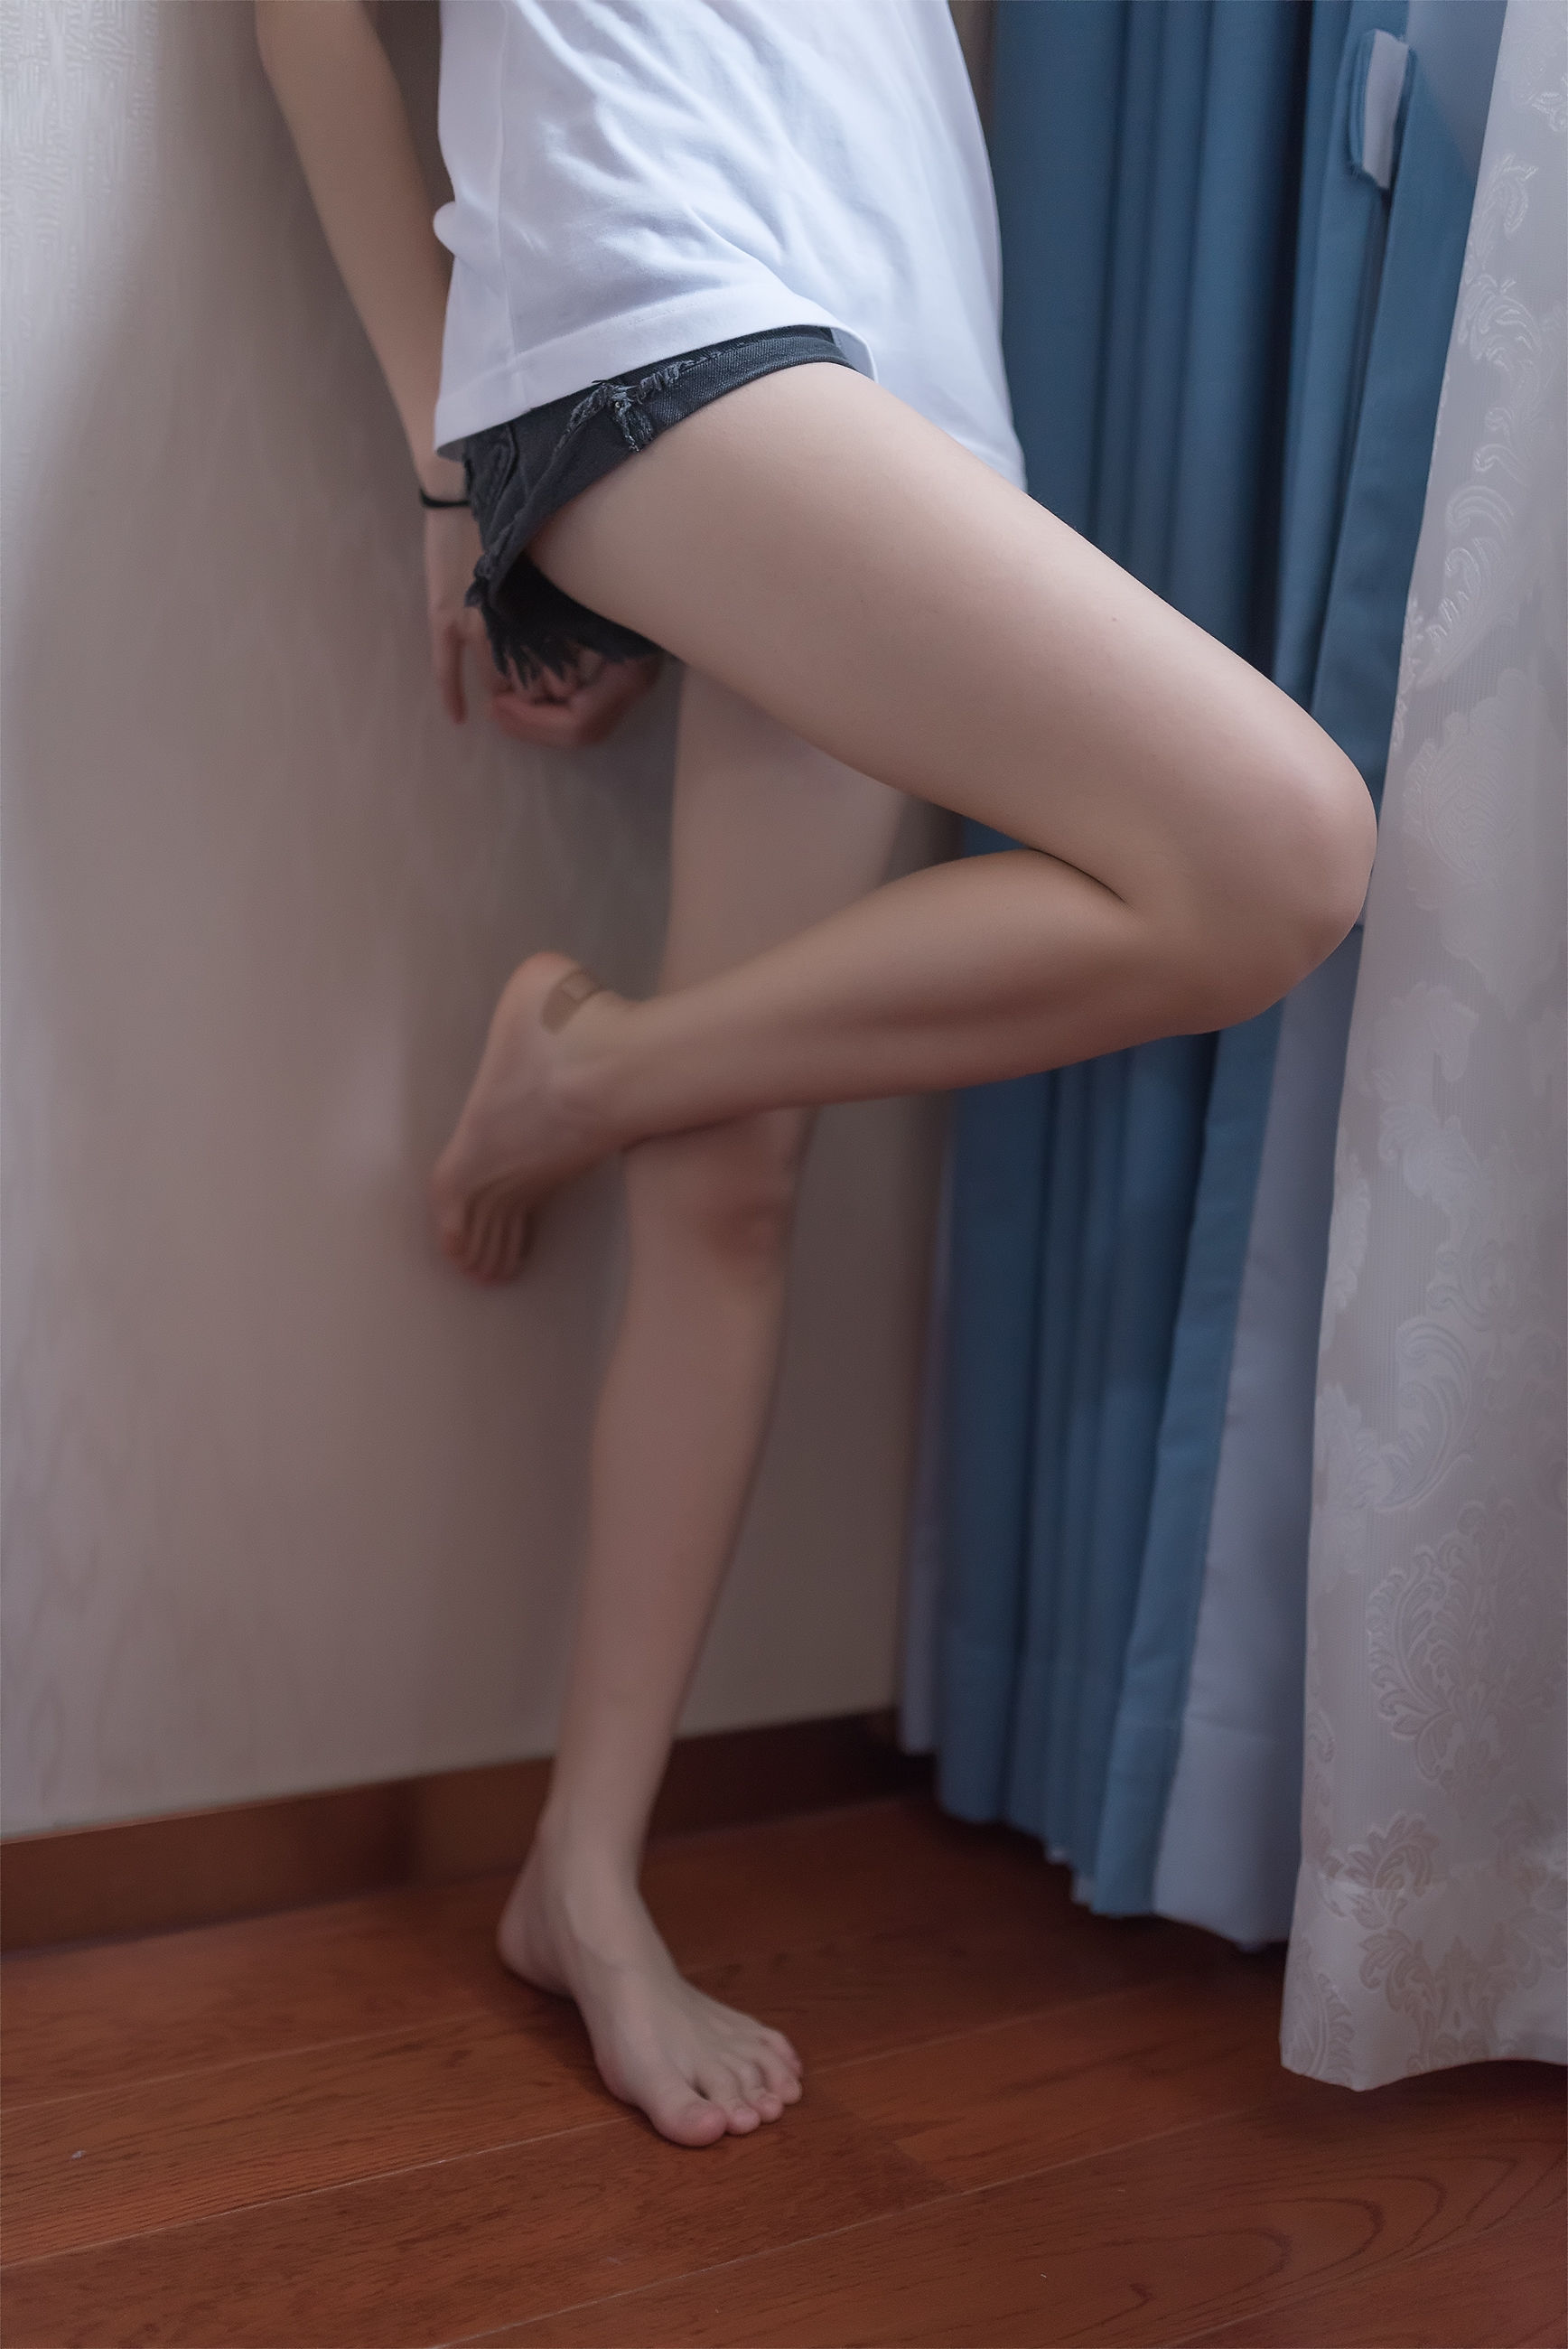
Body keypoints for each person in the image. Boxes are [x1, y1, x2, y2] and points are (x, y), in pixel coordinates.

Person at [255, 0, 1377, 2150]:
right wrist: (451, 460)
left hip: (893, 347)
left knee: (730, 1172)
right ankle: (593, 1071)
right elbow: (299, 25)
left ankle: (579, 1879)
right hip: (655, 294)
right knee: (1278, 850)